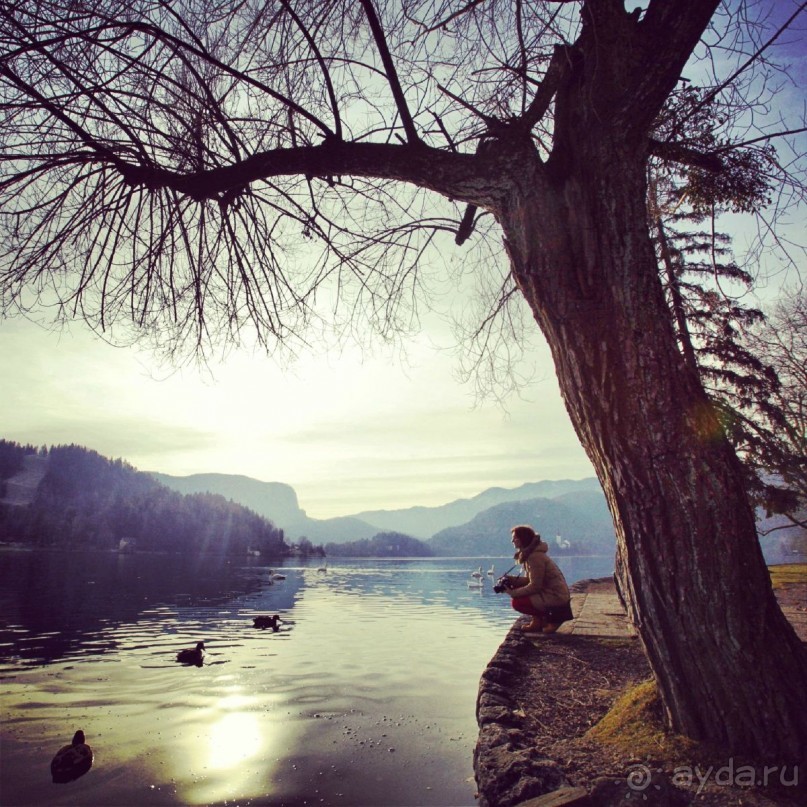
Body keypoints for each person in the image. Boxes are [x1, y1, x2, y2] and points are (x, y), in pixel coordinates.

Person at [504, 524, 571, 633]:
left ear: (523, 539)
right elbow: (531, 580)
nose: (512, 541)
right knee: (520, 598)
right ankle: (538, 622)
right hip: (551, 592)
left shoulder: (534, 557)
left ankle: (553, 620)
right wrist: (511, 580)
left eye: (515, 538)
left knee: (517, 602)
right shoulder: (531, 554)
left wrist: (513, 592)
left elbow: (535, 586)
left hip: (555, 596)